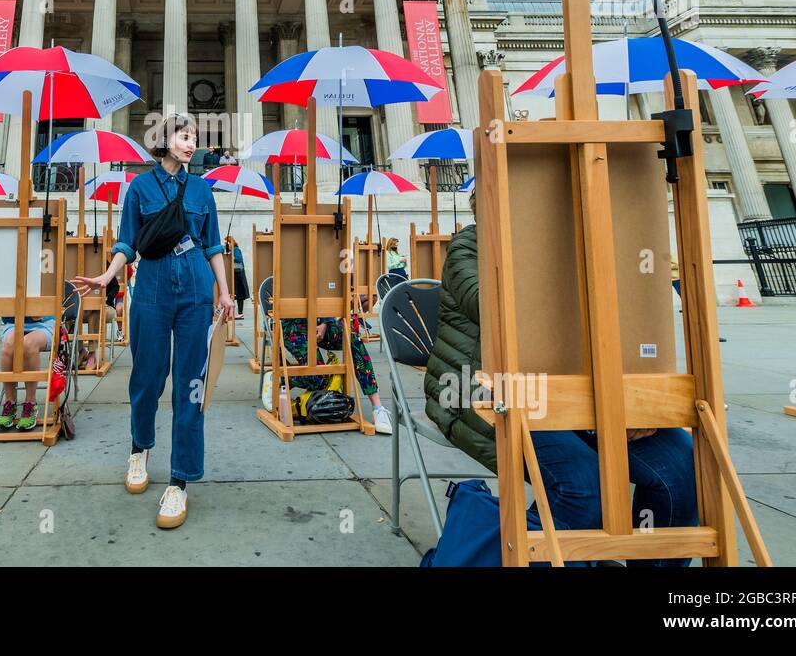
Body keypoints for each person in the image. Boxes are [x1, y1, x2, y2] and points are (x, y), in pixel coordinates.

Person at [422, 192, 697, 566]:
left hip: (574, 392)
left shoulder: (574, 243)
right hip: (480, 392)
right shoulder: (469, 246)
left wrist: (635, 400)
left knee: (680, 466)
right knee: (583, 486)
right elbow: (493, 310)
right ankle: (522, 555)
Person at [72, 114, 235, 530]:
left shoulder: (201, 189)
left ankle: (180, 479)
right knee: (146, 375)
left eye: (194, 138)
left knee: (191, 383)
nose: (191, 143)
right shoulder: (139, 187)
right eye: (184, 136)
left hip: (196, 283)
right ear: (163, 141)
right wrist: (108, 276)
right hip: (151, 284)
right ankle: (139, 446)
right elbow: (127, 241)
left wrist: (225, 291)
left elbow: (213, 244)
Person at [265, 315, 392, 434]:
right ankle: (277, 379)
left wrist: (325, 323)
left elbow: (329, 294)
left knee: (353, 340)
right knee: (318, 379)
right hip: (293, 325)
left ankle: (377, 407)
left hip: (320, 321)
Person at [0, 315, 57, 430]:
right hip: (13, 324)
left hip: (44, 325)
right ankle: (9, 402)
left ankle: (30, 402)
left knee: (28, 344)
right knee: (9, 346)